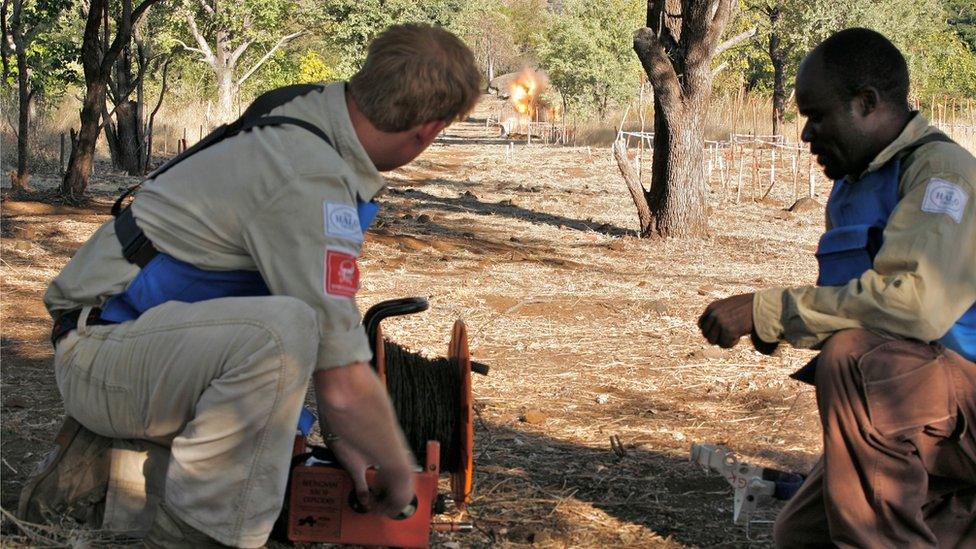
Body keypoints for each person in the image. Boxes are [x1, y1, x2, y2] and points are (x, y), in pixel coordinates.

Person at [19, 23, 481, 548]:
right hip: (99, 356)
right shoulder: (306, 177)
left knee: (290, 375)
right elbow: (342, 375)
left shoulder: (310, 111)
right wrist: (398, 469)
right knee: (282, 334)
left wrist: (342, 438)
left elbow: (332, 346)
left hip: (140, 343)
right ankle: (194, 537)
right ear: (430, 130)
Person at [698, 28, 976, 547]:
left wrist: (771, 311)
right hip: (915, 405)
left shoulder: (942, 175)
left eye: (817, 115)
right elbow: (863, 311)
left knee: (849, 357)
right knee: (802, 534)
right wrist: (782, 328)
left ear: (867, 103)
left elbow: (915, 306)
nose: (806, 134)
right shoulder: (854, 187)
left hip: (958, 405)